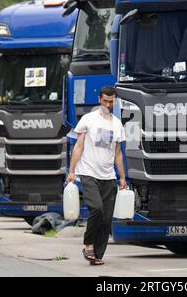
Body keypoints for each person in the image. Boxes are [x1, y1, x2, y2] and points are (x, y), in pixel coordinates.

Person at [67, 86, 127, 266]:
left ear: (114, 101)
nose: (108, 104)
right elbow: (78, 147)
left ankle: (97, 255)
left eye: (111, 101)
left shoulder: (117, 124)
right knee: (97, 209)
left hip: (108, 176)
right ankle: (88, 244)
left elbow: (118, 153)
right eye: (105, 101)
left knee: (107, 218)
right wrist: (71, 171)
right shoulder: (88, 119)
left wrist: (122, 177)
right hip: (88, 173)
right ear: (99, 99)